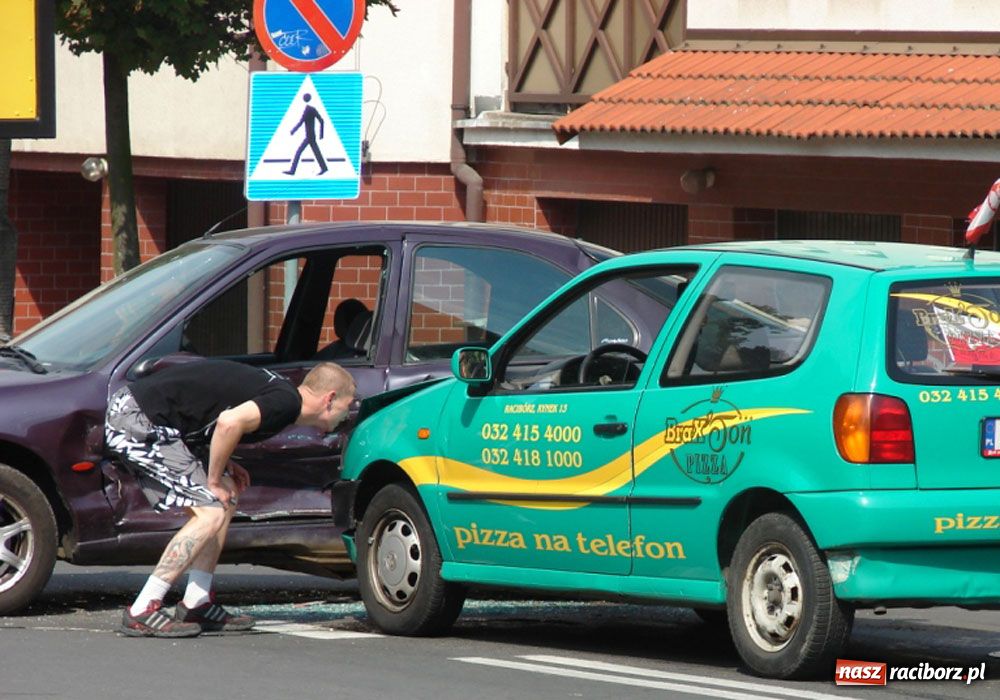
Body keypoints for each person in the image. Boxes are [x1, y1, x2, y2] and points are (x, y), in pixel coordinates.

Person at [105, 359, 355, 638]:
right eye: (347, 406)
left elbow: (213, 413)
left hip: (153, 416)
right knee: (210, 511)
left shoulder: (283, 395)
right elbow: (229, 422)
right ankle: (143, 608)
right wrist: (212, 479)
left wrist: (224, 466)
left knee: (227, 495)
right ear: (329, 399)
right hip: (138, 417)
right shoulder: (287, 403)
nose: (346, 415)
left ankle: (196, 600)